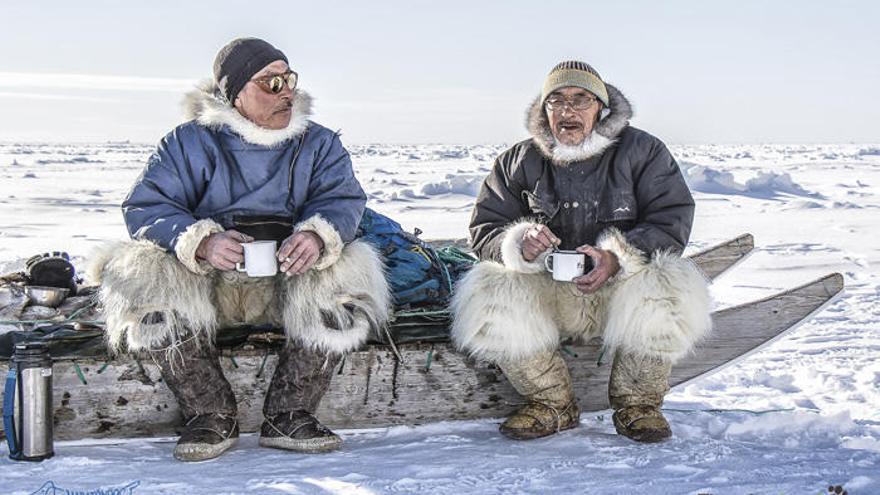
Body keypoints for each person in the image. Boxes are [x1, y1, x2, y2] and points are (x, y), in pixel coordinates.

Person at [86, 38, 390, 461]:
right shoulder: (187, 143)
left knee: (354, 268)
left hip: (290, 290)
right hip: (207, 290)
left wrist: (318, 236)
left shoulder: (318, 144)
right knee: (136, 270)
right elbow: (147, 206)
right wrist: (202, 241)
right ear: (234, 94)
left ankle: (290, 413)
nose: (287, 91)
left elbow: (342, 200)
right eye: (271, 82)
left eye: (289, 79)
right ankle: (210, 414)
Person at [451, 61, 711, 443]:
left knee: (672, 278)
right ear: (544, 110)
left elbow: (671, 218)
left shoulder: (643, 151)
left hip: (620, 294)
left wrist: (617, 258)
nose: (567, 110)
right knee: (487, 286)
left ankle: (638, 405)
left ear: (601, 110)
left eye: (580, 99)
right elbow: (486, 228)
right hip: (550, 295)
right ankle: (553, 403)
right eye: (556, 100)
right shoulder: (517, 161)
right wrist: (520, 245)